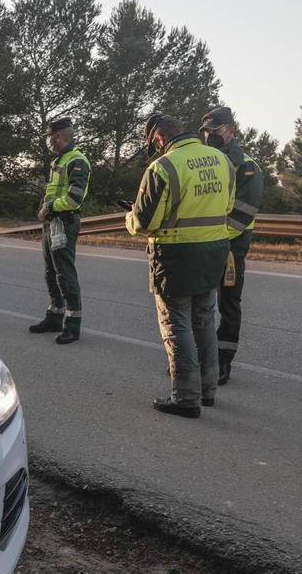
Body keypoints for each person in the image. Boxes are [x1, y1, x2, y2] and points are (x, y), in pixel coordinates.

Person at [126, 114, 234, 418]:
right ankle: (208, 390)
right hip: (214, 250)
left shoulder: (163, 166)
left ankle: (186, 398)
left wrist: (129, 218)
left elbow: (145, 223)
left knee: (177, 325)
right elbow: (227, 206)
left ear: (159, 138)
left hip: (176, 255)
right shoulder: (222, 160)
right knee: (204, 320)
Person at [199, 107, 264, 385]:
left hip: (230, 246)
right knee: (198, 303)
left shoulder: (246, 167)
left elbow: (241, 217)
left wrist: (211, 236)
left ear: (231, 132)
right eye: (205, 131)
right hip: (204, 243)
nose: (208, 136)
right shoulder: (203, 162)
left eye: (215, 131)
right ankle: (199, 359)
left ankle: (222, 361)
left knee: (228, 303)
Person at [28, 117, 91, 345]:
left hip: (64, 222)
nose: (49, 141)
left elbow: (75, 198)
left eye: (50, 137)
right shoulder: (60, 159)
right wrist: (47, 209)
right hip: (52, 223)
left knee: (64, 273)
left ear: (58, 136)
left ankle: (72, 326)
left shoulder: (77, 160)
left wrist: (50, 207)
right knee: (51, 272)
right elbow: (54, 191)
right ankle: (54, 316)